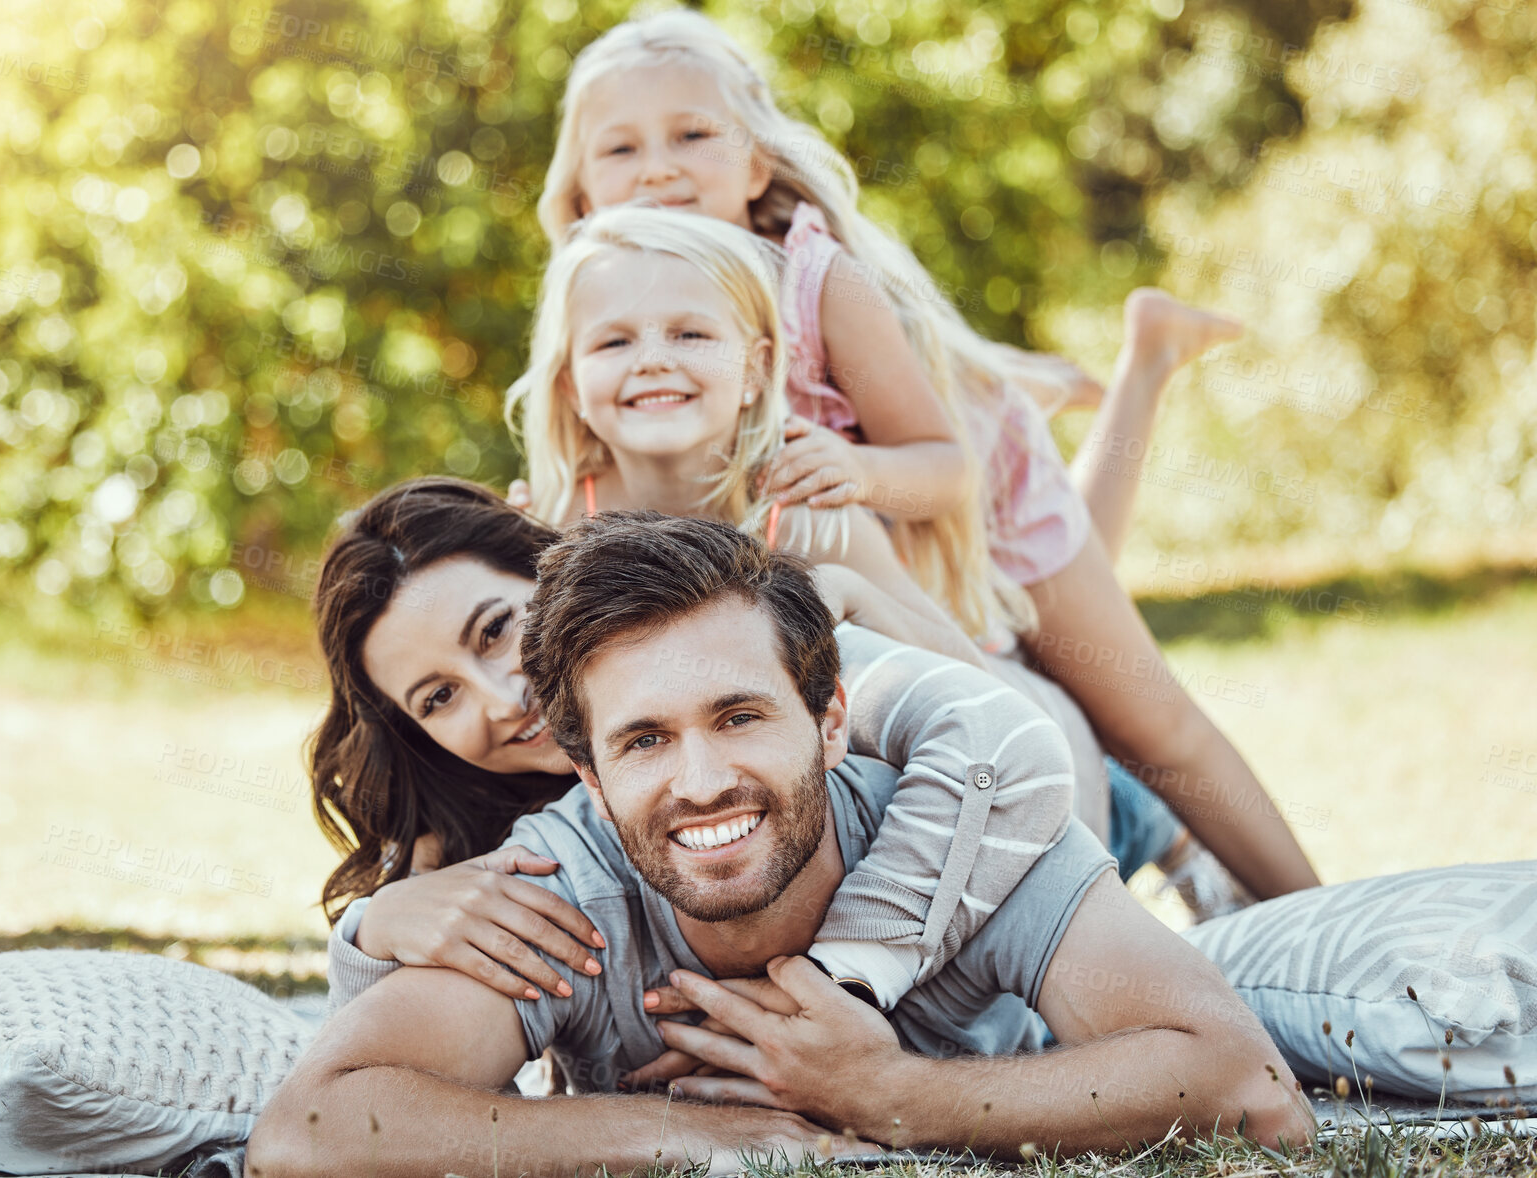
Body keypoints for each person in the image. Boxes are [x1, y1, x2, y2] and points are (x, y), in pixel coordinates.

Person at [245, 511, 1314, 1176]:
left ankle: (1184, 846)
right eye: (645, 739)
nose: (700, 775)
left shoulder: (960, 816)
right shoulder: (539, 886)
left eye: (740, 715)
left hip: (1057, 761)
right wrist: (693, 1137)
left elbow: (1252, 1087)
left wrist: (890, 1091)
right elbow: (309, 1129)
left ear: (831, 716)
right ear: (587, 769)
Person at [505, 200, 1309, 909]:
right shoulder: (549, 530)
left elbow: (975, 686)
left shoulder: (807, 512)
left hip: (1042, 779)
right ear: (571, 383)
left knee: (1091, 788)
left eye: (689, 334)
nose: (652, 357)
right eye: (614, 341)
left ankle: (1165, 837)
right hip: (748, 819)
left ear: (756, 373)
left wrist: (855, 590)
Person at [311, 475, 1078, 1015]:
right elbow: (369, 1068)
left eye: (495, 629)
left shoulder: (712, 645)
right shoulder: (467, 850)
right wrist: (374, 928)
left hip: (1056, 819)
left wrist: (829, 981)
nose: (504, 696)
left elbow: (999, 738)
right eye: (439, 698)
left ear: (545, 569)